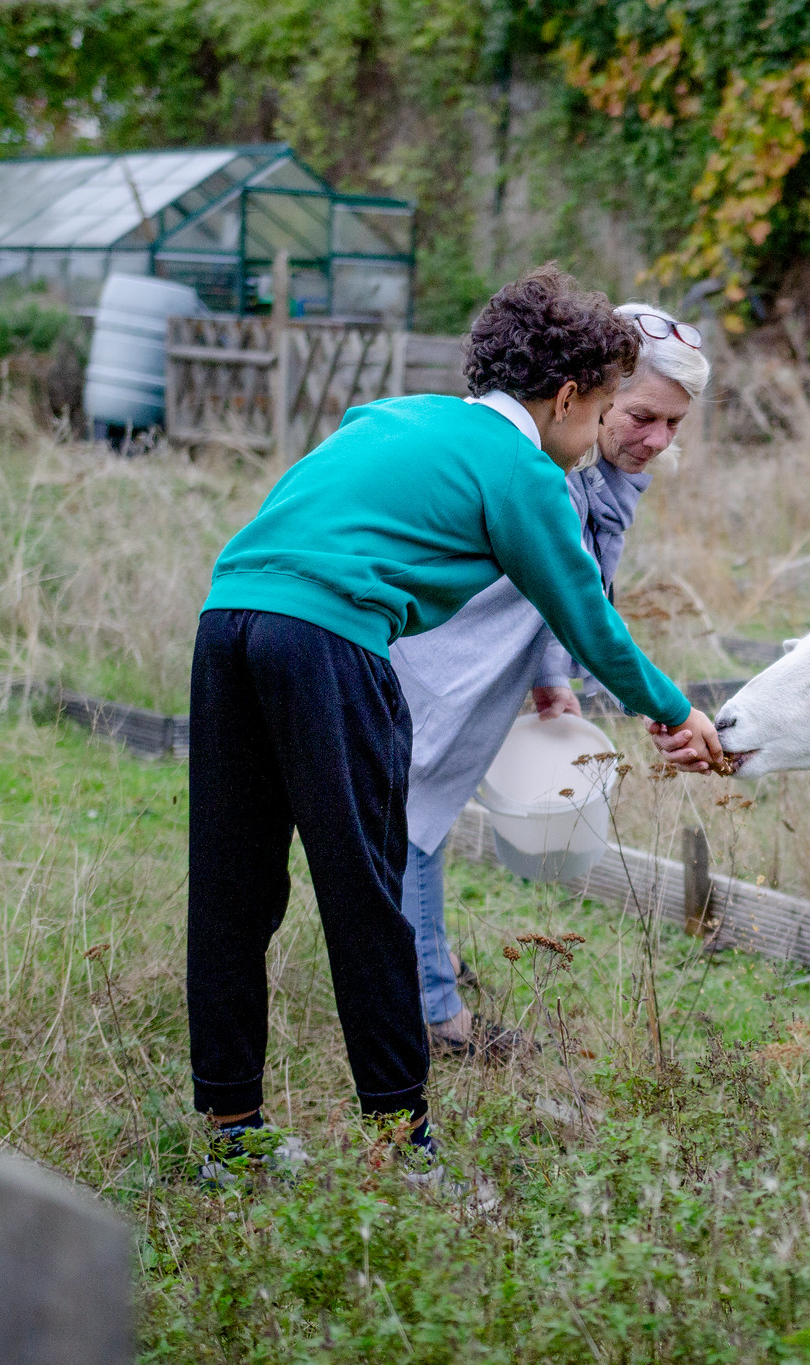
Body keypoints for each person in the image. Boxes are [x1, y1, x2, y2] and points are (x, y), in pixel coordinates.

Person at [186, 267, 723, 1168]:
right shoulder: (527, 470)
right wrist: (674, 711)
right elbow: (587, 617)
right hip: (328, 640)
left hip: (227, 621)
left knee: (233, 893)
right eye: (601, 416)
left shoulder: (395, 413)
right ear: (564, 398)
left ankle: (228, 1132)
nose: (598, 441)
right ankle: (407, 1142)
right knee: (367, 898)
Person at [390, 302, 708, 1058]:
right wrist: (663, 705)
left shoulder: (605, 480)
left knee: (420, 819)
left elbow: (566, 592)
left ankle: (428, 962)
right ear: (585, 394)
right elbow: (575, 600)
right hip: (434, 657)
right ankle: (432, 1012)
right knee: (411, 817)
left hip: (472, 664)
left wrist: (547, 679)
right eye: (640, 416)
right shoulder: (543, 474)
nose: (657, 440)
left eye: (674, 425)